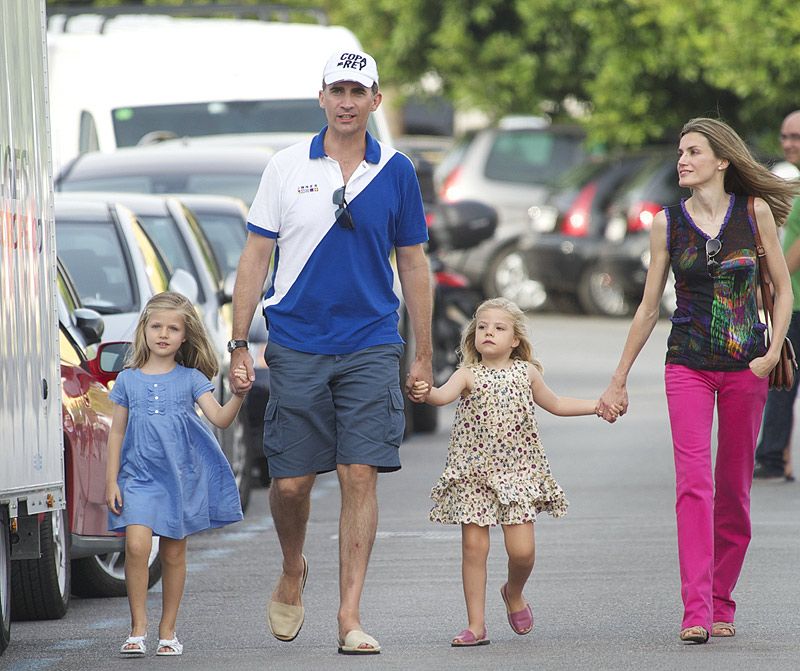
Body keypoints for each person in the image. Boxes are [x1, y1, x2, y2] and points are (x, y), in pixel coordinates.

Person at [228, 48, 432, 655]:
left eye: (358, 92)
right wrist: (239, 344)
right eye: (336, 91)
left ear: (374, 101)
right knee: (291, 485)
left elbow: (414, 264)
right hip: (296, 342)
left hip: (371, 342)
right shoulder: (286, 167)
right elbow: (255, 259)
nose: (347, 102)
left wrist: (421, 354)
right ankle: (293, 566)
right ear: (321, 97)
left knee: (359, 472)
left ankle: (349, 615)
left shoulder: (395, 171)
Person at [597, 118, 800, 644]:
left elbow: (782, 290)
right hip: (685, 362)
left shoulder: (754, 214)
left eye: (693, 152)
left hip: (746, 366)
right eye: (680, 152)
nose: (682, 160)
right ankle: (694, 610)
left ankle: (721, 599)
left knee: (733, 490)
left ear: (722, 160)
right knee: (694, 485)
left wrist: (773, 351)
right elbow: (646, 309)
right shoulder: (667, 222)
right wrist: (618, 379)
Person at [410, 298, 616, 646]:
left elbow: (556, 403)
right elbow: (441, 396)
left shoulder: (527, 373)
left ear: (515, 340)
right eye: (483, 327)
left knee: (522, 552)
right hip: (472, 474)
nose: (489, 332)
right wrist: (423, 392)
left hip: (518, 473)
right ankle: (476, 625)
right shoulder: (467, 375)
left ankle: (514, 592)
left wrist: (596, 406)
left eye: (499, 328)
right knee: (474, 549)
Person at [106, 292, 249, 657]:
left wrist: (239, 395)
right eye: (156, 326)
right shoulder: (128, 380)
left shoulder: (191, 380)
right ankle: (138, 628)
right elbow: (117, 433)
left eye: (173, 328)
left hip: (179, 480)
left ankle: (168, 630)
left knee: (172, 554)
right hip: (137, 478)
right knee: (136, 546)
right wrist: (111, 481)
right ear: (144, 330)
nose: (164, 334)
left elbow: (219, 418)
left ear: (185, 336)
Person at [754, 110, 800, 481]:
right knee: (784, 376)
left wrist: (771, 282)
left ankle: (771, 458)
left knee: (782, 377)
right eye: (784, 136)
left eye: (796, 137)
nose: (788, 144)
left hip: (796, 301)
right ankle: (777, 457)